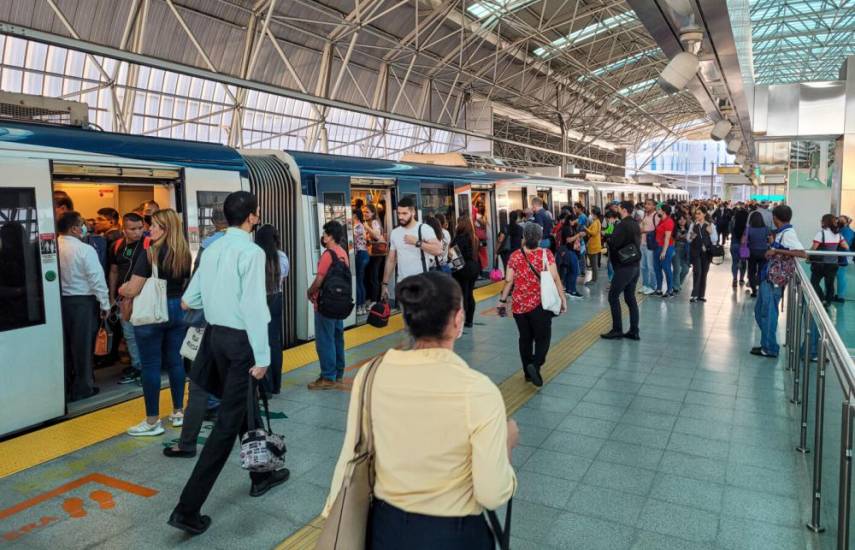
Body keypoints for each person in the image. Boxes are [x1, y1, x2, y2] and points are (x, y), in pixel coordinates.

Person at [323, 272, 517, 549]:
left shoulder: (370, 374)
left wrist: (333, 510)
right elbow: (492, 494)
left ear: (406, 321)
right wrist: (506, 446)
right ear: (458, 320)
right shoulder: (478, 391)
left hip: (385, 528)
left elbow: (351, 453)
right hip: (454, 533)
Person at [169, 191, 287, 535]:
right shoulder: (250, 252)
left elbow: (190, 299)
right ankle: (187, 509)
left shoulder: (213, 248)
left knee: (240, 407)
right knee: (224, 426)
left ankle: (261, 473)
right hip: (240, 344)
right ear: (252, 216)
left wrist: (216, 297)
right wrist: (263, 357)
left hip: (214, 340)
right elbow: (253, 307)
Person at [120, 209, 191, 436]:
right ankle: (178, 413)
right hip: (177, 310)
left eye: (155, 225)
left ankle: (152, 421)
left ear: (166, 228)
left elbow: (133, 289)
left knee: (150, 366)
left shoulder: (150, 252)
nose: (150, 229)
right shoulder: (184, 252)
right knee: (175, 363)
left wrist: (122, 288)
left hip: (153, 313)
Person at [496, 223, 566, 387]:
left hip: (519, 306)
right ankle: (535, 365)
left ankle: (528, 374)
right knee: (543, 338)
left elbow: (508, 280)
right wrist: (562, 298)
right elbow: (555, 278)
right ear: (540, 239)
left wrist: (502, 301)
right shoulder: (545, 254)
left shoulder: (515, 256)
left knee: (525, 338)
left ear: (524, 238)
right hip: (540, 305)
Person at [57, 211, 110, 401]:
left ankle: (66, 385)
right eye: (82, 224)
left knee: (64, 346)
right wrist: (105, 304)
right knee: (82, 346)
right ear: (74, 229)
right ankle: (83, 387)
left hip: (60, 303)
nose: (86, 227)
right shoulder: (85, 249)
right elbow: (96, 279)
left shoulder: (54, 246)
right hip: (83, 303)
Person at [752, 205, 807, 358]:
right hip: (768, 278)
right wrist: (774, 245)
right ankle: (767, 344)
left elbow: (802, 253)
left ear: (776, 218)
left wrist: (776, 250)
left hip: (774, 280)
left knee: (768, 313)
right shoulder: (782, 233)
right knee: (760, 312)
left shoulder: (788, 233)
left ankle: (770, 347)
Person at [307, 221, 349, 389]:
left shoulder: (328, 255)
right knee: (337, 338)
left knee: (325, 340)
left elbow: (319, 280)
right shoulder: (343, 253)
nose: (323, 237)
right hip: (339, 304)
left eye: (325, 234)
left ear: (330, 236)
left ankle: (327, 377)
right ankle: (338, 373)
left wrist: (309, 292)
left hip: (325, 304)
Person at [109, 212, 148, 385]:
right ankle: (137, 365)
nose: (137, 232)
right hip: (124, 298)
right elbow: (114, 271)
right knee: (129, 334)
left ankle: (146, 368)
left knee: (144, 334)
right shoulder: (116, 246)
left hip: (145, 297)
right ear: (123, 229)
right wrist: (111, 297)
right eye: (132, 229)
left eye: (140, 228)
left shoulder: (149, 244)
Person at [381, 196, 442, 299]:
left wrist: (417, 243)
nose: (401, 217)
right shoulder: (395, 233)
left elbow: (438, 250)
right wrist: (384, 284)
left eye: (404, 213)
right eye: (399, 213)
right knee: (407, 315)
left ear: (413, 212)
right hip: (403, 285)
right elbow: (391, 260)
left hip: (421, 284)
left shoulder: (424, 229)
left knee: (422, 315)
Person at [256, 224, 289, 394]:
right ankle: (276, 385)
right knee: (274, 342)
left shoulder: (255, 256)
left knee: (260, 342)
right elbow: (282, 276)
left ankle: (264, 386)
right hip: (276, 299)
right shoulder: (282, 257)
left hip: (259, 301)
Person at [602, 201, 641, 340]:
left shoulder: (622, 225)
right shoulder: (635, 223)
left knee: (613, 296)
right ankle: (634, 330)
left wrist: (608, 238)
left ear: (624, 210)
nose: (617, 210)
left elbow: (615, 243)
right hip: (635, 266)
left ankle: (617, 329)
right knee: (630, 298)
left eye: (619, 208)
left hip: (624, 267)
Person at [810, 213, 848, 306]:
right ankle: (828, 302)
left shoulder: (821, 233)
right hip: (833, 264)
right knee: (830, 285)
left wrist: (808, 256)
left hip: (820, 264)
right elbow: (846, 247)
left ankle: (821, 298)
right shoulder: (838, 235)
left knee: (814, 283)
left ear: (824, 222)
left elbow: (814, 248)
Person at [451, 215, 481, 328]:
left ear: (461, 224)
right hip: (474, 268)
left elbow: (453, 255)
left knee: (462, 295)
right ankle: (469, 320)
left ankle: (461, 321)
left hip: (462, 269)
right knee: (469, 294)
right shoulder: (474, 238)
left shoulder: (459, 238)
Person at [688, 207, 717, 303]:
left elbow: (714, 240)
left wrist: (711, 232)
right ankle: (694, 295)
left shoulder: (710, 225)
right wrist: (692, 236)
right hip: (695, 252)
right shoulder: (693, 225)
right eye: (696, 214)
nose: (697, 215)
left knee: (704, 273)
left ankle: (701, 295)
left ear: (704, 214)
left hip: (706, 253)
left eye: (699, 213)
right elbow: (688, 239)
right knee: (697, 272)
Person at [363, 204, 386, 304]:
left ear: (373, 213)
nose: (365, 213)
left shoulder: (374, 222)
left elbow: (376, 236)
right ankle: (370, 297)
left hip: (376, 254)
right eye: (364, 211)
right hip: (370, 253)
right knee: (369, 275)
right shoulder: (367, 222)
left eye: (367, 212)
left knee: (373, 276)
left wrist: (367, 227)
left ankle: (374, 300)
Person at [652, 204, 676, 297]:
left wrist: (664, 252)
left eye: (659, 209)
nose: (657, 211)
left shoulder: (669, 222)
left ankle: (670, 290)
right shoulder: (661, 221)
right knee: (657, 268)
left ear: (664, 211)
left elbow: (667, 238)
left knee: (666, 268)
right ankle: (659, 289)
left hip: (666, 247)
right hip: (657, 247)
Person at [746, 212, 771, 297]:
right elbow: (771, 241)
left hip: (751, 253)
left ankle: (753, 290)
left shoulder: (748, 229)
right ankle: (761, 289)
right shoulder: (766, 229)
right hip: (763, 253)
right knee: (762, 271)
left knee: (751, 272)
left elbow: (743, 241)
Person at [558, 214, 583, 298]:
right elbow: (568, 240)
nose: (577, 222)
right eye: (575, 220)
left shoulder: (571, 227)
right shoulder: (567, 228)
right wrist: (578, 235)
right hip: (568, 251)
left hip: (570, 251)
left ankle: (569, 289)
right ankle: (572, 290)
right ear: (570, 220)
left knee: (570, 271)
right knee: (574, 271)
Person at [638, 199, 659, 294]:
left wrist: (644, 231)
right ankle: (645, 285)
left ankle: (652, 286)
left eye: (649, 204)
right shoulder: (645, 215)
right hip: (642, 243)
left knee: (651, 266)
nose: (646, 206)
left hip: (650, 245)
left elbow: (658, 231)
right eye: (646, 204)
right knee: (643, 266)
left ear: (654, 206)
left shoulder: (656, 216)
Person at [352, 208, 370, 315]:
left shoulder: (357, 227)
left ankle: (359, 306)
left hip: (360, 255)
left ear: (355, 216)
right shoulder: (362, 226)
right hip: (364, 254)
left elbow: (351, 238)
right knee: (361, 281)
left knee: (358, 281)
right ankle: (362, 306)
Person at [835, 216, 854, 302]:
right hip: (843, 256)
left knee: (840, 276)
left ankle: (840, 296)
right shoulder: (848, 231)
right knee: (840, 276)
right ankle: (839, 295)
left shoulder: (844, 231)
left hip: (842, 257)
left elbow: (844, 244)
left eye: (840, 220)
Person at [730, 204, 749, 288]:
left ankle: (734, 279)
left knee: (734, 262)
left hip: (734, 244)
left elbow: (729, 230)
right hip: (744, 246)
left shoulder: (733, 223)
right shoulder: (747, 226)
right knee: (744, 263)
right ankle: (741, 279)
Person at [671, 214, 691, 294]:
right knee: (677, 269)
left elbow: (691, 238)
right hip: (676, 251)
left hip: (685, 252)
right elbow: (676, 237)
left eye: (684, 219)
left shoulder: (689, 229)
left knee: (686, 269)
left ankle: (676, 284)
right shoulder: (674, 229)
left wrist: (689, 236)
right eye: (680, 219)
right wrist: (686, 236)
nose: (682, 220)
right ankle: (676, 286)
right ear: (677, 220)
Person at [585, 208, 603, 284]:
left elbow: (594, 233)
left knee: (594, 264)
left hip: (594, 245)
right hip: (594, 244)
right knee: (593, 263)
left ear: (595, 214)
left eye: (592, 214)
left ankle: (594, 279)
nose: (591, 215)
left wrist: (585, 229)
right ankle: (594, 278)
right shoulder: (596, 221)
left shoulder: (596, 222)